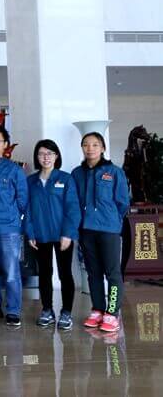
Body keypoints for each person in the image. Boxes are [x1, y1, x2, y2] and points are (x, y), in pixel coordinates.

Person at [72, 132, 130, 333]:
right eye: (86, 144)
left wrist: (112, 220)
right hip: (86, 230)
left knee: (112, 272)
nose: (90, 148)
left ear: (103, 148)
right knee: (93, 272)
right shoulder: (77, 174)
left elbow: (123, 203)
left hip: (109, 230)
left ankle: (112, 313)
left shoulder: (114, 172)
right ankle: (97, 309)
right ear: (82, 147)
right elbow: (74, 202)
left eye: (95, 144)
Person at [25, 139, 81, 330]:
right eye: (41, 154)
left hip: (62, 235)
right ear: (37, 157)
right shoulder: (31, 181)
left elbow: (73, 209)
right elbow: (27, 210)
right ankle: (47, 310)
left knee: (65, 273)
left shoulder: (65, 179)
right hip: (40, 235)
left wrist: (68, 234)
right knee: (44, 273)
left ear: (56, 156)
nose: (46, 157)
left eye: (50, 153)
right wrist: (30, 233)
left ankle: (66, 312)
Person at [0, 125, 29, 327]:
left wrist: (14, 219)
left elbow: (23, 200)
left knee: (11, 271)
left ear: (5, 145)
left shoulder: (14, 170)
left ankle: (13, 310)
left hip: (8, 228)